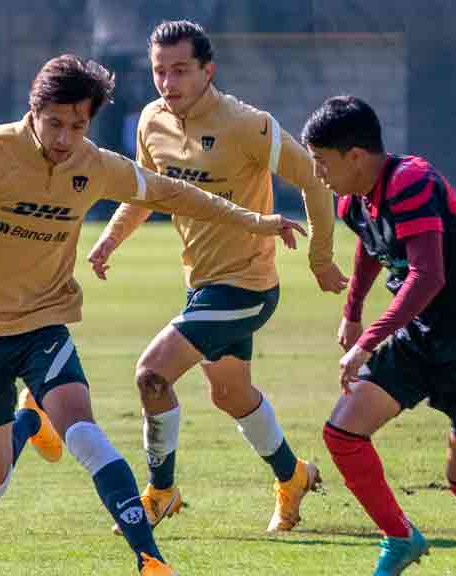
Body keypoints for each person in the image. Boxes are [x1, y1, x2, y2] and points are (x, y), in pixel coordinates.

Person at [0, 54, 305, 576]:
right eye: (55, 123)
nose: (66, 137)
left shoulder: (94, 166)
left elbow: (173, 193)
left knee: (85, 433)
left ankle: (150, 558)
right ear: (34, 108)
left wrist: (254, 220)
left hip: (44, 323)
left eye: (78, 125)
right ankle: (29, 418)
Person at [87, 20, 347, 534]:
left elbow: (317, 182)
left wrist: (320, 260)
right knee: (230, 394)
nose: (168, 82)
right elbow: (148, 192)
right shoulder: (150, 121)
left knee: (152, 373)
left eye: (180, 70)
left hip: (248, 285)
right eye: (160, 71)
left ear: (209, 71)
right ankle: (293, 476)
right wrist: (111, 239)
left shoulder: (247, 124)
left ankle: (161, 492)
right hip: (202, 285)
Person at [301, 95, 456, 575]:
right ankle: (400, 537)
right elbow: (371, 245)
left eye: (322, 162)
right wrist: (352, 312)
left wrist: (366, 340)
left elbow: (428, 277)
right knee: (343, 433)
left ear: (356, 157)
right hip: (420, 335)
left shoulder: (411, 182)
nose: (317, 174)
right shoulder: (353, 201)